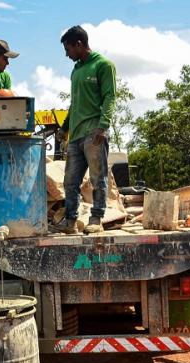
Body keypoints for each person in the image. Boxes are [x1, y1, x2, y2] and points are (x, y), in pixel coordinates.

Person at [54, 25, 116, 234]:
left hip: (94, 133)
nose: (66, 54)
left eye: (68, 49)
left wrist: (103, 125)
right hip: (76, 136)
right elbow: (75, 103)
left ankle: (96, 219)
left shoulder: (103, 65)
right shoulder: (77, 70)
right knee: (70, 181)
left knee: (98, 178)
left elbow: (110, 97)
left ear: (78, 44)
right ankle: (70, 222)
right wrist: (64, 128)